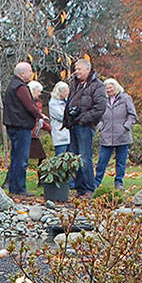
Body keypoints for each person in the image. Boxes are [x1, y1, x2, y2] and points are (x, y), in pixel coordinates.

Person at [63, 58, 107, 195]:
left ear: (88, 69)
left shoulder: (97, 85)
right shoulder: (75, 85)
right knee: (74, 158)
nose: (76, 72)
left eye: (79, 69)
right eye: (75, 69)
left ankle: (88, 188)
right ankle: (80, 188)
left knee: (85, 158)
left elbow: (100, 107)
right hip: (73, 125)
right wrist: (68, 120)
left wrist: (83, 120)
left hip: (85, 126)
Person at [1, 61, 42, 195]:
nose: (31, 73)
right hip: (21, 126)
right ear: (22, 73)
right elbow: (29, 105)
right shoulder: (20, 87)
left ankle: (14, 187)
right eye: (30, 71)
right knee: (21, 159)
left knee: (15, 157)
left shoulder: (12, 85)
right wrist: (39, 115)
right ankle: (20, 188)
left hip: (13, 125)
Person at [94, 78, 137, 189]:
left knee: (121, 162)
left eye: (111, 87)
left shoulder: (126, 98)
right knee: (102, 162)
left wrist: (126, 126)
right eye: (107, 88)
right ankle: (96, 183)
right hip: (107, 136)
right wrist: (101, 127)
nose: (109, 90)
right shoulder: (103, 100)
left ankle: (119, 183)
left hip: (122, 136)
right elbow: (97, 115)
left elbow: (132, 115)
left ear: (116, 87)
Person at [27, 79, 51, 167]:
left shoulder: (38, 102)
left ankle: (41, 178)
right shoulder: (28, 102)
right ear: (33, 90)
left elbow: (39, 120)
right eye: (38, 91)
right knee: (22, 157)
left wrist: (48, 128)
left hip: (34, 134)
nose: (40, 94)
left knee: (42, 157)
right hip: (28, 133)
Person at [48, 81, 72, 155]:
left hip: (69, 135)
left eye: (68, 91)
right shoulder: (53, 103)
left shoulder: (66, 101)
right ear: (59, 92)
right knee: (60, 157)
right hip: (60, 134)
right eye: (65, 91)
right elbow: (61, 116)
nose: (67, 93)